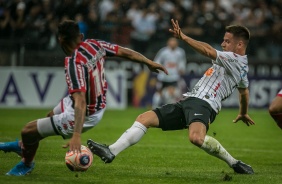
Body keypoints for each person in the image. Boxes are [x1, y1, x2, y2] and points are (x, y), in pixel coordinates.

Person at [0, 20, 168, 176]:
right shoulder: (94, 45)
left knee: (27, 131)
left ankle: (27, 163)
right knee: (49, 117)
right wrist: (148, 62)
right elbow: (125, 52)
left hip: (84, 114)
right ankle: (24, 147)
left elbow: (81, 101)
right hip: (92, 104)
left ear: (60, 41)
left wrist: (77, 135)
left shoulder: (74, 63)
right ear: (80, 37)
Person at [87, 19, 255, 174]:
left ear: (239, 44)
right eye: (223, 40)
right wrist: (243, 112)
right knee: (144, 118)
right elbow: (244, 91)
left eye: (227, 41)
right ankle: (111, 151)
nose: (222, 44)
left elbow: (208, 50)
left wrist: (184, 37)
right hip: (190, 101)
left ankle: (234, 163)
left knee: (196, 138)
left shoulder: (235, 60)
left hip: (204, 104)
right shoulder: (242, 68)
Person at [152, 37, 186, 108]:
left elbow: (182, 63)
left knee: (174, 93)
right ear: (168, 43)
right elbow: (157, 61)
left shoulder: (180, 52)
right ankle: (155, 107)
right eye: (171, 42)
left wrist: (181, 69)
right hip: (163, 76)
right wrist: (160, 68)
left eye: (174, 42)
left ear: (177, 43)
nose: (173, 44)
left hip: (174, 76)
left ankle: (171, 107)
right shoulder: (163, 51)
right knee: (159, 92)